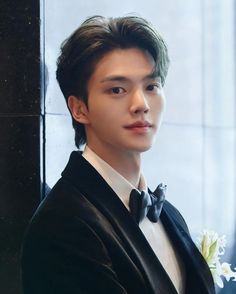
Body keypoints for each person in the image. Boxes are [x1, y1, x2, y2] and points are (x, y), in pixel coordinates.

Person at [21, 15, 215, 294]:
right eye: (117, 89)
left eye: (151, 86)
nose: (141, 104)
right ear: (79, 109)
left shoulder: (168, 214)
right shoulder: (62, 225)